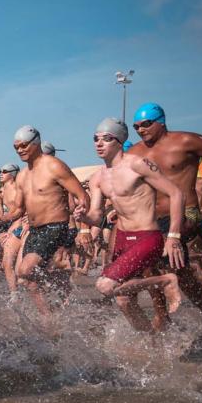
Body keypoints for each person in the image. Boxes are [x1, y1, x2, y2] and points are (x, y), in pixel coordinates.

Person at [128, 102, 202, 330]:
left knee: (155, 256)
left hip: (186, 213)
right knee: (164, 268)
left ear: (161, 122)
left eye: (146, 124)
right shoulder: (134, 152)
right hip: (151, 218)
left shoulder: (187, 141)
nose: (141, 130)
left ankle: (163, 318)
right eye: (136, 126)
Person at [73, 118, 185, 331]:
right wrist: (84, 218)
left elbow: (176, 193)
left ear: (119, 141)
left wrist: (173, 236)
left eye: (106, 139)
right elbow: (97, 215)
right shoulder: (97, 178)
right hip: (123, 239)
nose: (99, 143)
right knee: (123, 301)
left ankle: (166, 280)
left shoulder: (138, 164)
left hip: (146, 236)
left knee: (105, 285)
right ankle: (151, 339)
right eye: (96, 139)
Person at [12, 125, 89, 319]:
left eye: (23, 145)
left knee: (25, 270)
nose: (20, 150)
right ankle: (49, 317)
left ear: (36, 143)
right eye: (16, 147)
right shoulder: (22, 175)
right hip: (35, 230)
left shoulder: (54, 166)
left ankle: (58, 281)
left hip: (55, 226)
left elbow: (81, 195)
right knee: (27, 280)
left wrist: (84, 227)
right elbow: (17, 210)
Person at [0, 163, 26, 298]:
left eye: (4, 171)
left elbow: (21, 211)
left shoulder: (17, 187)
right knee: (6, 263)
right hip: (15, 225)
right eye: (0, 171)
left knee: (21, 271)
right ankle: (14, 295)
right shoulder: (4, 189)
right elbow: (12, 214)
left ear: (13, 174)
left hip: (25, 226)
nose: (1, 173)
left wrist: (0, 220)